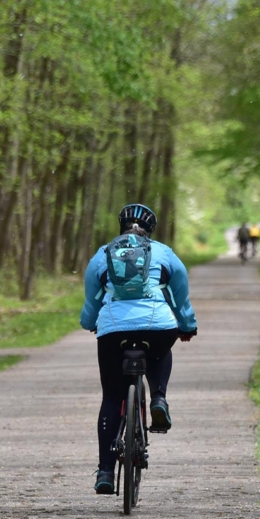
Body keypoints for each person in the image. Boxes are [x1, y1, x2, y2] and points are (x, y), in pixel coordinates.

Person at [80, 204, 198, 495]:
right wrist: (186, 325)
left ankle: (106, 471)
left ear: (121, 227)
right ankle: (158, 398)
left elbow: (92, 296)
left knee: (111, 396)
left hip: (113, 330)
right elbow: (179, 293)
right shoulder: (164, 253)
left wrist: (90, 322)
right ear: (150, 229)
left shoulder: (103, 253)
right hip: (157, 324)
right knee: (160, 349)